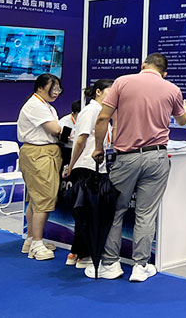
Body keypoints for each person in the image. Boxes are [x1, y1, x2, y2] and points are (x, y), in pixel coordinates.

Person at [88, 53, 186, 282]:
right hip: (157, 157)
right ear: (164, 73)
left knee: (115, 211)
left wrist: (98, 148)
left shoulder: (122, 82)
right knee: (146, 213)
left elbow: (102, 118)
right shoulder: (172, 89)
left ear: (143, 65)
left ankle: (111, 264)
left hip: (126, 158)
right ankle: (140, 266)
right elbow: (182, 120)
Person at [62, 78, 114, 268]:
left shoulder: (103, 112)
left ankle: (76, 252)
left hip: (96, 167)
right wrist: (71, 165)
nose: (113, 94)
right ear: (98, 92)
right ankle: (82, 255)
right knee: (87, 213)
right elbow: (81, 139)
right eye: (110, 91)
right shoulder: (90, 111)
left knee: (87, 212)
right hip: (86, 167)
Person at [17, 73, 64, 261]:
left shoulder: (45, 105)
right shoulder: (36, 105)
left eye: (58, 89)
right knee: (44, 198)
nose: (56, 92)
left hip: (44, 153)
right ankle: (36, 244)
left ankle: (31, 240)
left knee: (36, 199)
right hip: (39, 153)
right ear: (40, 88)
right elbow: (55, 129)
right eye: (53, 88)